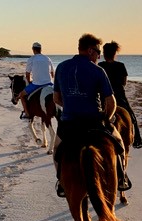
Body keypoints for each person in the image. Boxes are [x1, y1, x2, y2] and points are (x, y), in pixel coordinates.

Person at [53, 33, 127, 197]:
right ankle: (122, 178)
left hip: (69, 124)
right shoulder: (98, 71)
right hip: (94, 123)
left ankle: (61, 182)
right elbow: (111, 103)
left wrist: (71, 106)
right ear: (90, 50)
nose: (99, 56)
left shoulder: (61, 67)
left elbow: (56, 98)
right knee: (119, 144)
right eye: (98, 52)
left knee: (57, 151)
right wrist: (106, 119)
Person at [98, 41, 142, 148]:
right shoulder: (120, 65)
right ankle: (137, 138)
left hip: (103, 97)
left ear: (104, 54)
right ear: (115, 54)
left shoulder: (100, 66)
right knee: (131, 117)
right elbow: (123, 82)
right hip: (119, 96)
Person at [19, 42, 54, 119]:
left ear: (33, 49)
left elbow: (27, 74)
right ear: (41, 49)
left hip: (36, 84)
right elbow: (52, 73)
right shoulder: (47, 58)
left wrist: (29, 82)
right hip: (49, 83)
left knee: (21, 95)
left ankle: (27, 114)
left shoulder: (31, 59)